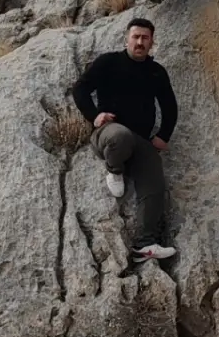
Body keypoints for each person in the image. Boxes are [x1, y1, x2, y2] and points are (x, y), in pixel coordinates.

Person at [71, 18, 179, 261]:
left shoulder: (156, 72)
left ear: (152, 42)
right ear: (127, 38)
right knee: (120, 136)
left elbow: (170, 106)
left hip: (141, 141)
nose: (139, 42)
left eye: (145, 38)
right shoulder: (109, 62)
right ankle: (114, 169)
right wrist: (94, 115)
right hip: (109, 133)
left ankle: (146, 244)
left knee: (155, 183)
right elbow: (80, 89)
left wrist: (163, 136)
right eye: (135, 37)